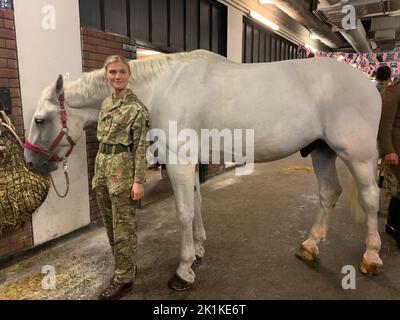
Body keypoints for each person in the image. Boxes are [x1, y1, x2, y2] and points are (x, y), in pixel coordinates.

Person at [92, 55, 150, 300]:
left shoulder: (137, 109)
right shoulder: (106, 104)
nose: (118, 76)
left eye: (122, 72)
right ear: (106, 75)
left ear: (129, 75)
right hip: (103, 167)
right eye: (113, 72)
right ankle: (125, 266)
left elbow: (141, 147)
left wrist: (138, 180)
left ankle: (124, 279)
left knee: (124, 226)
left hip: (123, 171)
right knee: (109, 224)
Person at [377, 77, 400, 248]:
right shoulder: (393, 91)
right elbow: (385, 123)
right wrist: (388, 150)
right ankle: (395, 227)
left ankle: (393, 224)